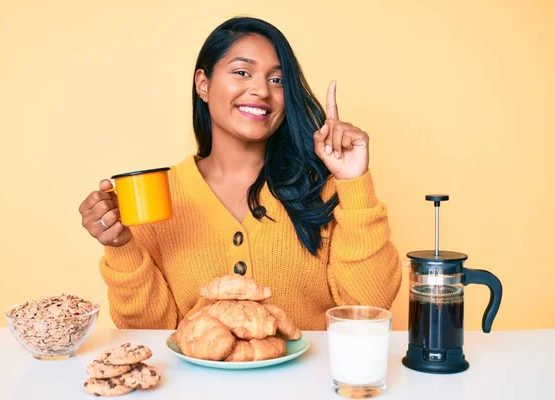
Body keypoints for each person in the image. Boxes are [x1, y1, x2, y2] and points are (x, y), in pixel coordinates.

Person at [79, 16, 401, 330]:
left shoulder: (322, 188)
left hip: (307, 384)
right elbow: (150, 332)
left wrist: (354, 182)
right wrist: (121, 246)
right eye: (242, 72)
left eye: (276, 79)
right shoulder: (156, 196)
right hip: (196, 386)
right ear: (203, 84)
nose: (261, 90)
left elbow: (368, 306)